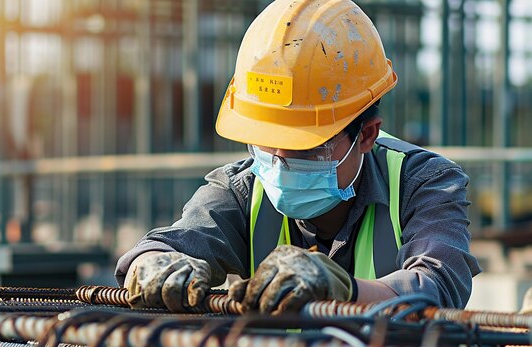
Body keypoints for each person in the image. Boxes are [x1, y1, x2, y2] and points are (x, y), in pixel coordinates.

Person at [115, 0, 481, 314]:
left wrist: (342, 290)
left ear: (366, 135)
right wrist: (152, 265)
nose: (278, 163)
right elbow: (162, 247)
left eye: (306, 146)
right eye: (263, 141)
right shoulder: (240, 191)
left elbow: (438, 288)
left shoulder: (424, 183)